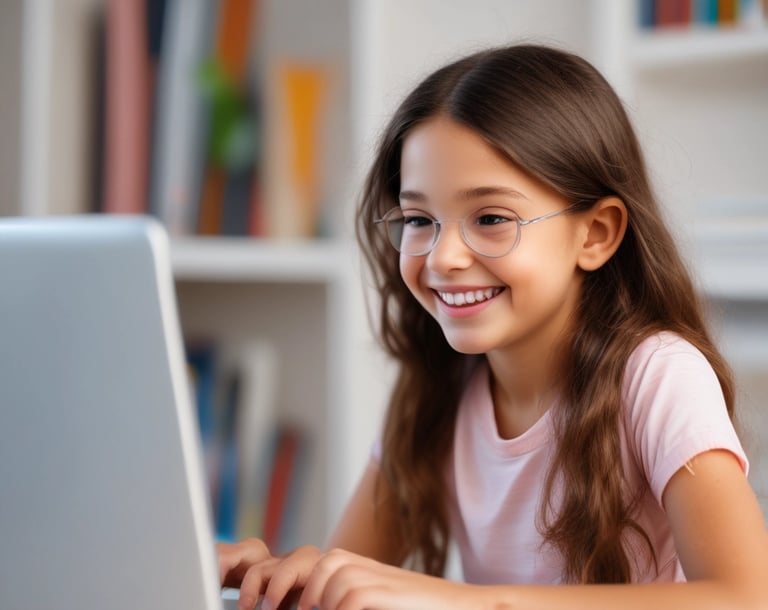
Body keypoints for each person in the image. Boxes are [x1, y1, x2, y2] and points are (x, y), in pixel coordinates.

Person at [218, 44, 768, 610]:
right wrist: (291, 578)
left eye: (490, 218)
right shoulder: (439, 389)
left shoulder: (660, 375)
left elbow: (747, 597)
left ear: (596, 234)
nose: (444, 256)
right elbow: (361, 576)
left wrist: (479, 602)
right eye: (418, 220)